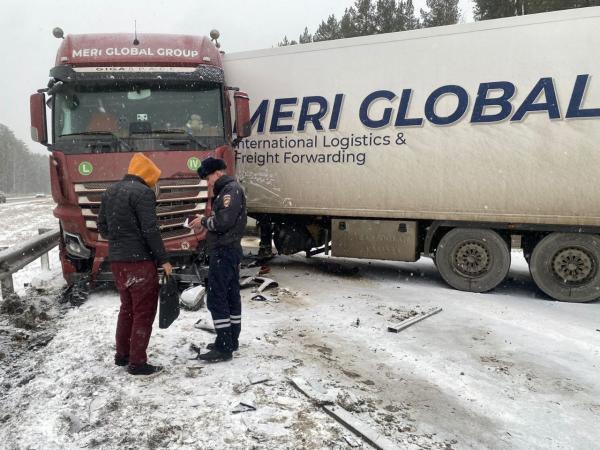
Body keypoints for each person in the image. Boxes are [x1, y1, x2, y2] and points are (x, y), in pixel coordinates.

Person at [98, 153, 173, 376]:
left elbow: (102, 226)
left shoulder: (110, 191)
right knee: (143, 311)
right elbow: (151, 230)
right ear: (147, 175)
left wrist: (120, 239)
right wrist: (164, 260)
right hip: (139, 262)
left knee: (127, 309)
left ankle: (122, 355)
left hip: (117, 261)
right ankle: (137, 363)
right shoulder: (143, 193)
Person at [189, 157, 247, 362]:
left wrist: (204, 221)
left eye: (208, 178)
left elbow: (224, 221)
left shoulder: (230, 191)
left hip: (224, 252)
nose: (209, 182)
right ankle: (231, 340)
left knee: (217, 298)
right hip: (228, 251)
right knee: (230, 296)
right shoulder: (229, 190)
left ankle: (224, 347)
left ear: (217, 173)